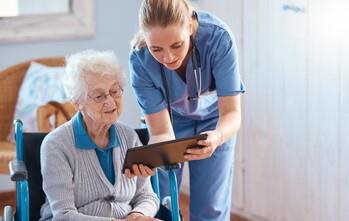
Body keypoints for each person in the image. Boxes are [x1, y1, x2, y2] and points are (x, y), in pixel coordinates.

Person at [129, 0, 245, 220]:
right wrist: (155, 159)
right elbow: (161, 132)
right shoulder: (140, 59)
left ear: (190, 28)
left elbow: (231, 113)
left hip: (214, 122)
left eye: (176, 45)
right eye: (156, 49)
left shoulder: (218, 38)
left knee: (211, 207)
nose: (168, 57)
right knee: (162, 202)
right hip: (170, 122)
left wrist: (218, 136)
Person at [39, 50, 161, 221]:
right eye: (99, 96)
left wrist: (138, 215)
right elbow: (63, 215)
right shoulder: (56, 145)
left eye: (114, 91)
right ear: (77, 103)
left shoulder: (129, 137)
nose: (110, 102)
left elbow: (147, 196)